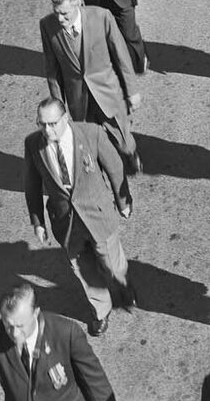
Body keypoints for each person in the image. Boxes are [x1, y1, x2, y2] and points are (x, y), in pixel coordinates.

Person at [24, 97, 135, 337]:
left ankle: (122, 288)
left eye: (52, 123)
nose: (47, 130)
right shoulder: (33, 145)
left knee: (112, 264)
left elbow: (114, 166)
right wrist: (38, 221)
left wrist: (123, 201)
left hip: (98, 216)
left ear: (65, 119)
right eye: (41, 124)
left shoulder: (91, 134)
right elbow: (32, 184)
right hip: (66, 223)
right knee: (83, 270)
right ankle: (101, 310)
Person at [40, 0, 142, 174]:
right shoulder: (47, 26)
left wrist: (132, 91)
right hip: (78, 99)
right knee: (88, 140)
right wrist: (58, 108)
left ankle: (130, 153)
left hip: (107, 92)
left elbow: (121, 56)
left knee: (120, 134)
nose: (60, 19)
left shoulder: (101, 17)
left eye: (65, 14)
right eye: (57, 14)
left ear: (77, 4)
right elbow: (52, 71)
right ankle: (103, 175)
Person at [0, 280, 117, 401]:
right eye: (8, 325)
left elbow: (97, 385)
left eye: (21, 325)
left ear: (36, 313)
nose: (14, 333)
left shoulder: (66, 333)